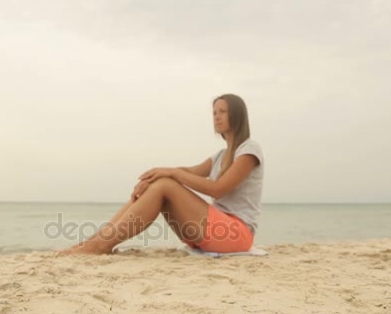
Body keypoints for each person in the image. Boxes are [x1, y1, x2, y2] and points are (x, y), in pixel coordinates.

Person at [58, 93, 264, 255]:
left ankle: (100, 245)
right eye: (214, 112)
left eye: (223, 111)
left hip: (236, 234)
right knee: (161, 183)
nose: (216, 116)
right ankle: (95, 241)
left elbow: (218, 190)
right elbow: (189, 172)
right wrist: (153, 176)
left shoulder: (249, 150)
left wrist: (169, 174)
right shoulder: (220, 155)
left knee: (167, 184)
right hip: (214, 233)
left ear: (236, 115)